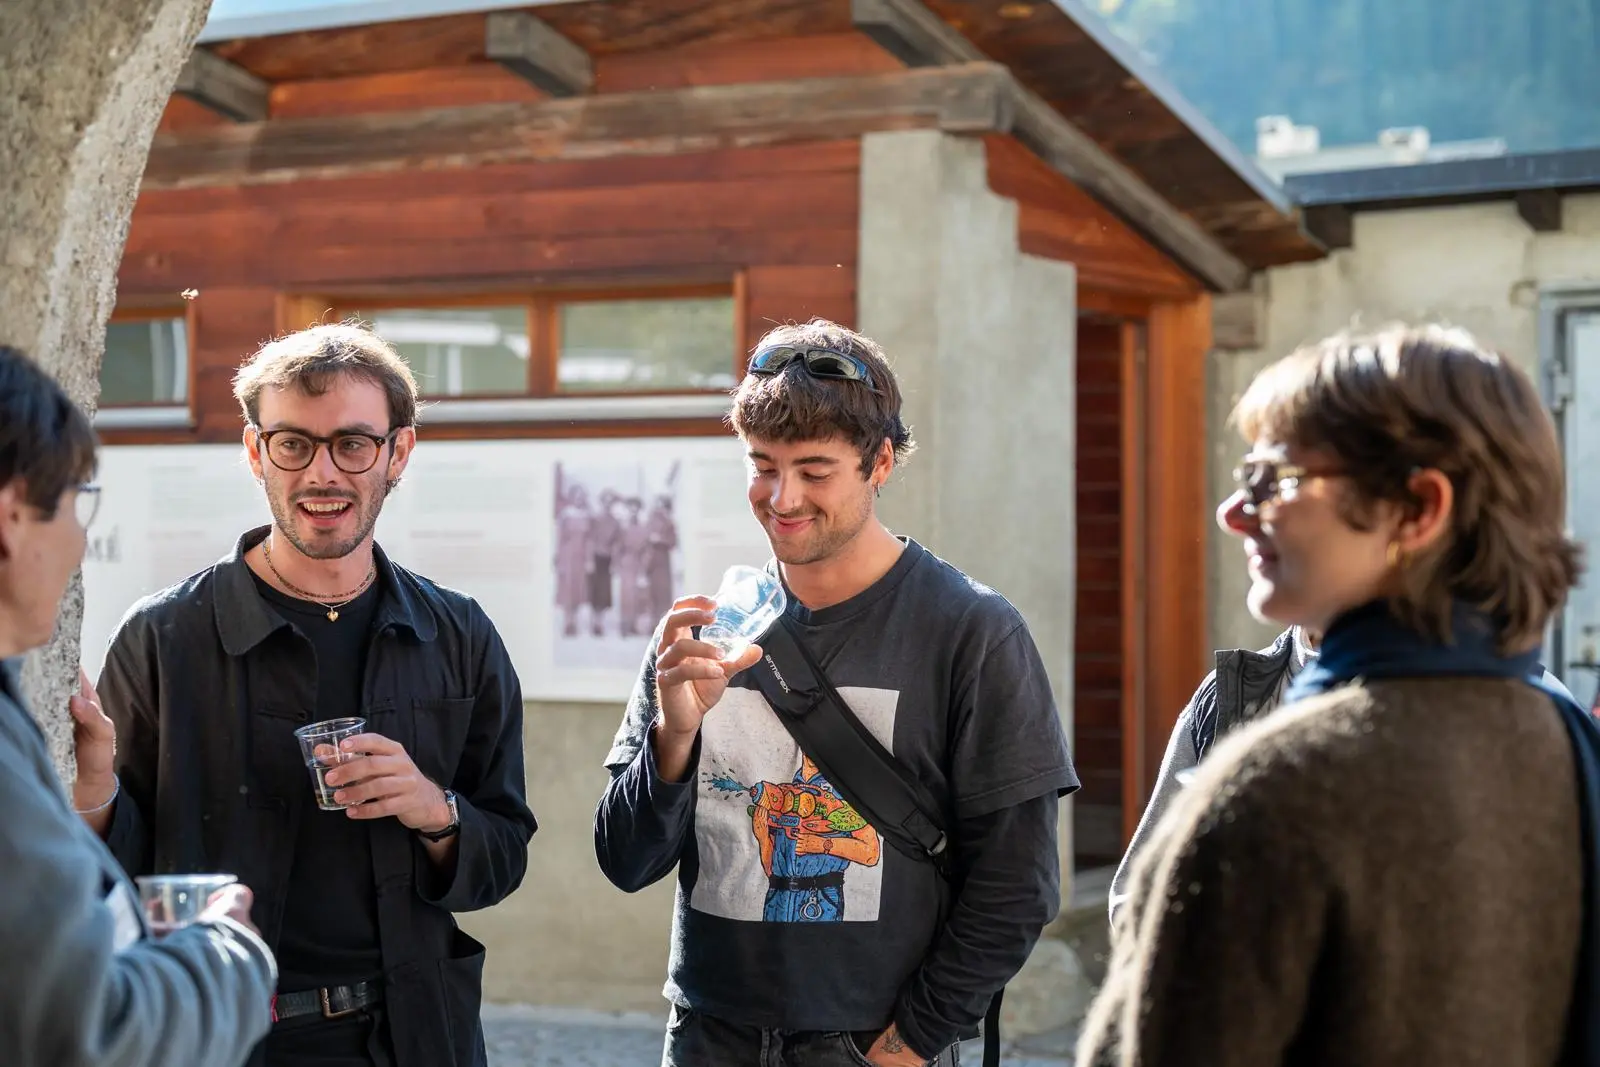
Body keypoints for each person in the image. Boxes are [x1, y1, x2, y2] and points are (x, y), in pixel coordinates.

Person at [1078, 324, 1587, 1066]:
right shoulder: (1569, 740)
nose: (1233, 512)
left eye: (1274, 479)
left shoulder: (1283, 783)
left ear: (1417, 508)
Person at [595, 319, 1079, 1067]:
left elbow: (1018, 885)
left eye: (814, 470)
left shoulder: (972, 630)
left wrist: (909, 1042)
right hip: (708, 1036)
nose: (782, 497)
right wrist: (674, 739)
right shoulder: (707, 626)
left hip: (873, 1041)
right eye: (762, 465)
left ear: (880, 462)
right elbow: (626, 862)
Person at [71, 323, 537, 1067]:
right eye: (294, 443)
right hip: (221, 1037)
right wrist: (92, 792)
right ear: (256, 452)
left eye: (353, 443)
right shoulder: (166, 635)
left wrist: (434, 810)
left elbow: (505, 853)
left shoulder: (457, 634)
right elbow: (115, 875)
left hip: (414, 1034)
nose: (323, 472)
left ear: (398, 454)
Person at [0, 343, 276, 1067]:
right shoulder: (161, 630)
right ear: (10, 516)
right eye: (77, 501)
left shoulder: (458, 627)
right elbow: (90, 1028)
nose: (80, 541)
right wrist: (227, 950)